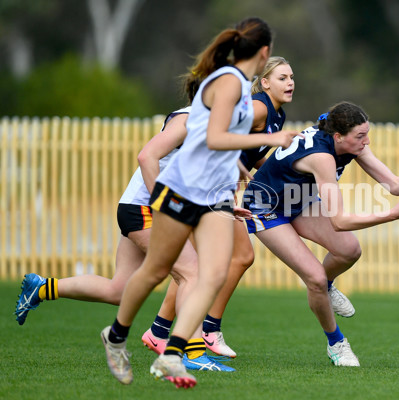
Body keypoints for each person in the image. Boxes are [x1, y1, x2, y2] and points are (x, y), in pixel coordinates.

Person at [99, 17, 300, 389]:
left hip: (214, 196)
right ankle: (116, 335)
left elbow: (227, 149)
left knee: (215, 272)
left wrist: (238, 180)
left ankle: (172, 355)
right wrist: (271, 141)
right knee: (157, 271)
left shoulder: (240, 87)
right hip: (180, 190)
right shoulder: (227, 83)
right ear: (264, 52)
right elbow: (214, 138)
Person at [14, 104, 234, 372]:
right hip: (144, 210)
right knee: (192, 273)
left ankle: (42, 288)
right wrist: (163, 203)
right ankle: (194, 353)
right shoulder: (191, 118)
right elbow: (146, 157)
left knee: (119, 290)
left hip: (136, 207)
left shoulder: (214, 121)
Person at [142, 56, 295, 359]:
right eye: (282, 78)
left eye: (291, 77)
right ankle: (208, 331)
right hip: (209, 185)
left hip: (216, 187)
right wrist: (235, 163)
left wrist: (264, 168)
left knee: (202, 264)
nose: (290, 83)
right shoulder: (260, 107)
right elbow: (221, 130)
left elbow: (254, 151)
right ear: (264, 82)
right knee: (239, 256)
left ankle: (160, 330)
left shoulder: (277, 114)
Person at [242, 101, 399, 367]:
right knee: (314, 277)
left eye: (367, 134)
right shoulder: (323, 157)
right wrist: (392, 215)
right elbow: (339, 221)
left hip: (297, 200)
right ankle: (337, 344)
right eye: (361, 136)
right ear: (338, 137)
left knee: (349, 250)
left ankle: (326, 287)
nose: (367, 141)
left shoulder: (350, 143)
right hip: (265, 207)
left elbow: (396, 185)